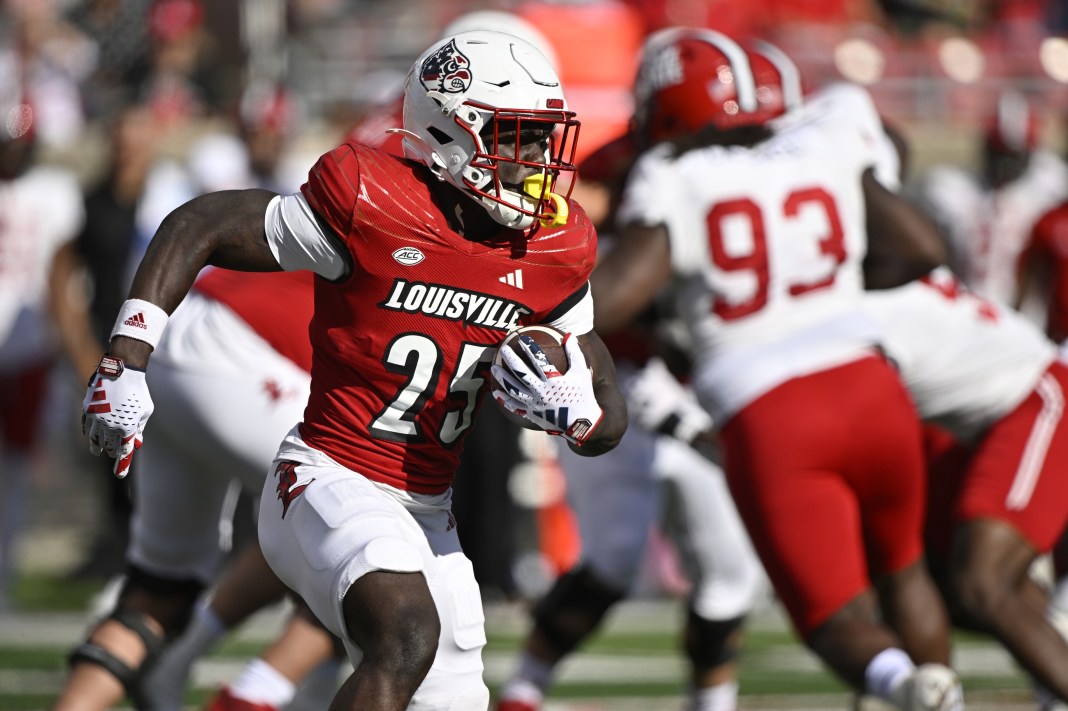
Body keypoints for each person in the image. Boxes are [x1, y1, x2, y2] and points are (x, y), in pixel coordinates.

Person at [77, 29, 627, 711]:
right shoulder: (374, 202)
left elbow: (604, 401)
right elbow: (202, 221)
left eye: (545, 136)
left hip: (429, 507)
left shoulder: (553, 244)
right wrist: (127, 357)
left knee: (450, 695)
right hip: (327, 474)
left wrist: (581, 411)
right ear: (452, 132)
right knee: (405, 630)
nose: (539, 157)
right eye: (518, 135)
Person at [589, 28, 959, 710]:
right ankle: (936, 689)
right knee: (906, 574)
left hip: (771, 409)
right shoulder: (821, 140)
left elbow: (610, 300)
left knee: (831, 618)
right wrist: (835, 288)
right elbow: (922, 245)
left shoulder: (672, 175)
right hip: (870, 382)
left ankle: (905, 683)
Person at [495, 31, 782, 711]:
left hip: (701, 383)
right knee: (613, 555)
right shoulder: (611, 175)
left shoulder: (738, 174)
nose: (740, 150)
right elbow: (587, 288)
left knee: (730, 575)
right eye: (725, 133)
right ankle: (523, 690)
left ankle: (712, 702)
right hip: (617, 373)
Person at [862, 266, 1068, 706]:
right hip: (986, 422)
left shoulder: (863, 312)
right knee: (937, 577)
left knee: (982, 583)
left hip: (1039, 397)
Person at [0, 50, 87, 611]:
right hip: (25, 343)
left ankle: (3, 576)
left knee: (15, 471)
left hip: (29, 347)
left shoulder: (56, 191)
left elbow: (63, 276)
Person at [912, 89, 1068, 313]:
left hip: (1029, 319)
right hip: (968, 311)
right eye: (998, 153)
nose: (1004, 164)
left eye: (1012, 155)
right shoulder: (956, 190)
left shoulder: (1049, 191)